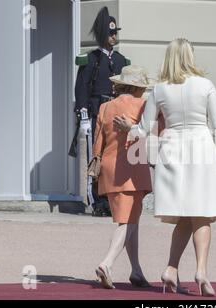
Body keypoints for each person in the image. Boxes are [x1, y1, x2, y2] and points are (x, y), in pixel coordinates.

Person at [114, 39, 216, 297]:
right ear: (190, 57)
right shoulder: (205, 85)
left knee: (185, 214)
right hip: (200, 149)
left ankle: (171, 269)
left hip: (171, 149)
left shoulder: (159, 90)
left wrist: (128, 128)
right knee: (202, 214)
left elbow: (144, 128)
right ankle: (201, 271)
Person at [93, 65, 156, 289]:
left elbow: (97, 145)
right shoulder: (142, 105)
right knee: (127, 221)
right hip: (133, 169)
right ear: (137, 87)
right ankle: (107, 263)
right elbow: (156, 133)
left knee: (130, 220)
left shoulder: (105, 107)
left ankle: (136, 270)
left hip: (109, 170)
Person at [74, 6, 130, 217]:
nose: (114, 36)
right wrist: (83, 116)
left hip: (116, 115)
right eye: (110, 33)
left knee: (115, 159)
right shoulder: (90, 59)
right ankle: (97, 201)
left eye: (116, 33)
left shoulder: (121, 61)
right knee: (96, 159)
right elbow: (82, 88)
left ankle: (113, 198)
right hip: (97, 113)